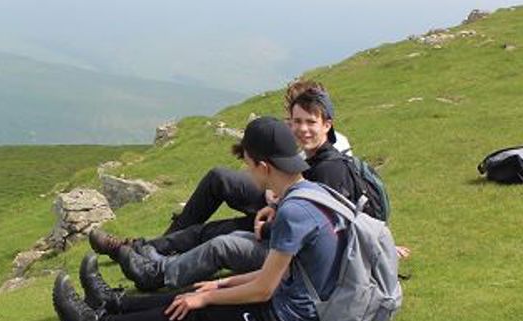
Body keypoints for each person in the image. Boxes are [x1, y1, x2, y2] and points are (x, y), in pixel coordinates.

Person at [51, 116, 342, 321]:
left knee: (190, 311)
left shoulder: (293, 212)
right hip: (292, 296)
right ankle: (113, 302)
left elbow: (265, 289)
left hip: (289, 319)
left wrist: (205, 298)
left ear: (264, 166)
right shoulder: (308, 193)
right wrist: (219, 285)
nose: (246, 171)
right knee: (195, 292)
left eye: (248, 164)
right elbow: (279, 273)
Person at [88, 84, 367, 292]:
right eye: (295, 121)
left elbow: (317, 225)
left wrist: (272, 214)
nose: (301, 129)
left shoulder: (332, 164)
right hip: (276, 207)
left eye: (310, 122)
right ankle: (147, 251)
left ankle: (148, 259)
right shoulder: (307, 149)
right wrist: (273, 203)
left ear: (327, 124)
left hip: (284, 232)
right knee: (217, 187)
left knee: (217, 237)